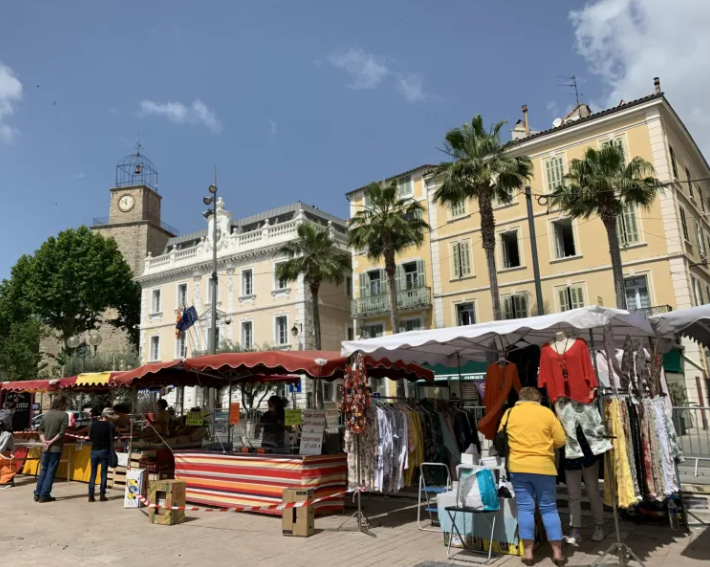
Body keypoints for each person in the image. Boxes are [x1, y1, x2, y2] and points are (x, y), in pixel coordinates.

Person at [498, 387, 566, 566]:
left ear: (519, 399)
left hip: (518, 467)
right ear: (539, 400)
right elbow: (560, 440)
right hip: (544, 467)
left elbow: (499, 437)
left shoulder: (510, 413)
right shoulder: (547, 413)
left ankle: (527, 553)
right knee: (549, 509)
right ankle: (557, 553)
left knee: (525, 508)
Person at [34, 396, 69, 503]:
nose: (66, 406)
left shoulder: (46, 415)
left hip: (45, 447)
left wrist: (45, 441)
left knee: (44, 469)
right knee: (51, 471)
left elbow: (40, 430)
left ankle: (37, 493)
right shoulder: (64, 415)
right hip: (56, 447)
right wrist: (51, 442)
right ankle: (44, 494)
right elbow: (62, 432)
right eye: (65, 404)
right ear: (62, 404)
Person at [88, 408, 118, 502]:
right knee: (103, 474)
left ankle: (91, 495)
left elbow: (90, 437)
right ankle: (102, 495)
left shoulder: (93, 424)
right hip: (104, 451)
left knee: (93, 474)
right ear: (108, 417)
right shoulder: (110, 426)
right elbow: (112, 438)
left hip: (94, 450)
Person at [0, 399, 17, 489]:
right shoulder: (8, 416)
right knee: (7, 461)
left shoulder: (1, 413)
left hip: (2, 439)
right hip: (5, 439)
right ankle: (5, 480)